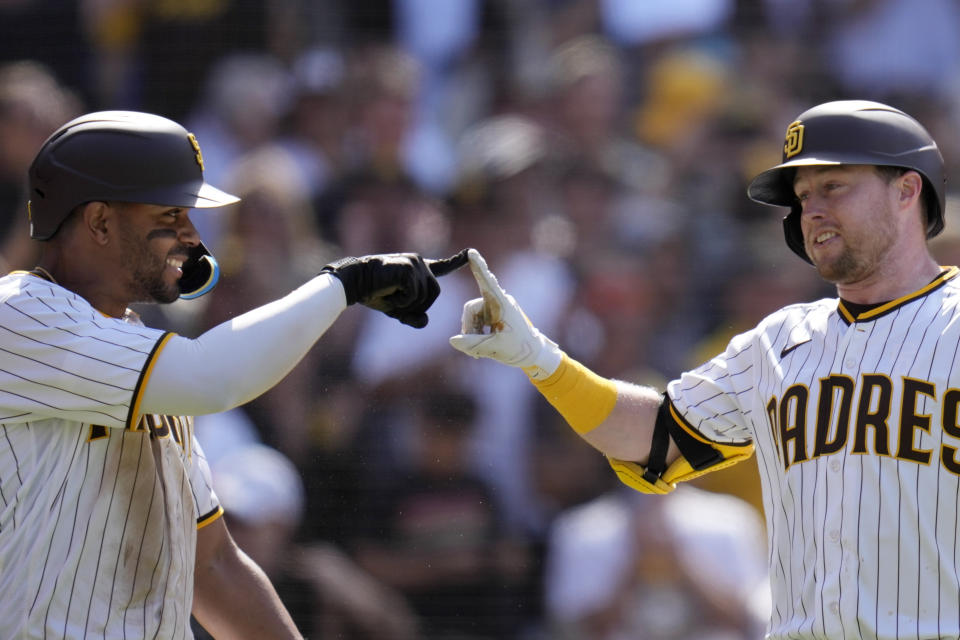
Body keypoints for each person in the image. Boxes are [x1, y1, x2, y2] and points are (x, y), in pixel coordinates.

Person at [450, 99, 959, 639]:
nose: (811, 210)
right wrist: (541, 360)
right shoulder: (777, 342)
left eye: (833, 187)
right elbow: (652, 438)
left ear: (907, 190)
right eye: (804, 196)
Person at [0, 110, 467, 638]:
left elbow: (214, 566)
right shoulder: (19, 314)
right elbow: (214, 377)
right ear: (101, 222)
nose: (193, 235)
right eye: (171, 214)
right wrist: (345, 285)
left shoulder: (142, 351)